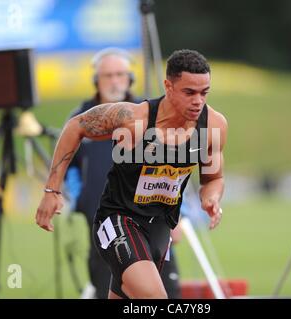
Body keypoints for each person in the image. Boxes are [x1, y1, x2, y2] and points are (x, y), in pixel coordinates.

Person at [36, 49, 227, 299]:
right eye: (189, 92)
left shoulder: (213, 125)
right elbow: (75, 127)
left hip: (160, 227)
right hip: (118, 219)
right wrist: (52, 190)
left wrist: (211, 198)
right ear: (168, 86)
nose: (198, 101)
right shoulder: (135, 118)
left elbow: (213, 178)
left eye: (204, 93)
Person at [64, 47, 181, 298]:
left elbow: (173, 168)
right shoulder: (80, 118)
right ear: (97, 80)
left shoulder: (151, 113)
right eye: (108, 75)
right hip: (104, 227)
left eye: (120, 74)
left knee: (164, 294)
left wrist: (178, 216)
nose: (115, 81)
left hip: (152, 224)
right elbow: (68, 167)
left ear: (130, 79)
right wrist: (80, 198)